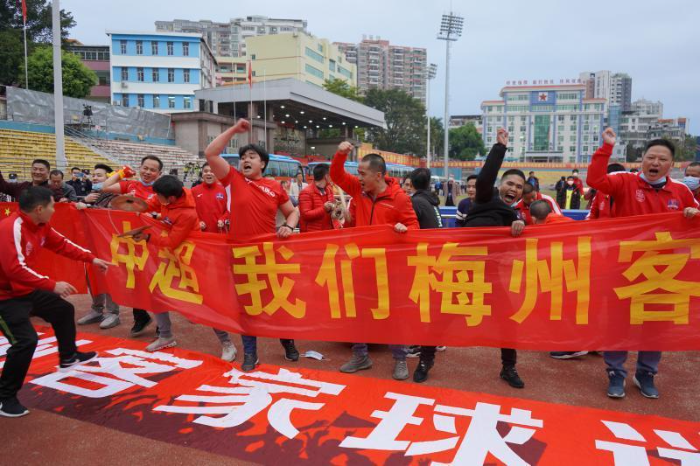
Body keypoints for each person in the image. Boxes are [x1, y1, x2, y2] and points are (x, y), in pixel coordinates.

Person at [587, 128, 699, 399]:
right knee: (618, 324)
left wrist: (694, 213)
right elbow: (595, 179)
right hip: (623, 269)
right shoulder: (624, 182)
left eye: (662, 159)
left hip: (662, 271)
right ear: (642, 159)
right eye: (651, 157)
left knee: (655, 325)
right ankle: (616, 373)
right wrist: (606, 147)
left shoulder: (681, 191)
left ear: (672, 164)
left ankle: (646, 373)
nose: (655, 163)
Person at [0, 186, 111, 417]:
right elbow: (14, 269)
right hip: (4, 297)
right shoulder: (11, 228)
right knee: (25, 342)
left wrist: (92, 259)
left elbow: (62, 244)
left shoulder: (41, 225)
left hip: (23, 290)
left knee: (62, 309)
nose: (55, 209)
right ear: (39, 209)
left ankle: (68, 356)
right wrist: (52, 284)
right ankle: (5, 397)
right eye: (52, 205)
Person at [204, 119, 300, 372]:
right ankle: (250, 353)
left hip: (268, 254)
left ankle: (287, 341)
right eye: (243, 157)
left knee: (278, 302)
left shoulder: (274, 187)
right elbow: (211, 153)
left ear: (263, 164)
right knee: (247, 306)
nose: (245, 160)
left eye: (251, 157)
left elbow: (292, 212)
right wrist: (235, 130)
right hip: (240, 255)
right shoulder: (233, 180)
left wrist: (289, 226)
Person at [331, 141, 419, 380]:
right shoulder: (358, 190)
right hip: (361, 265)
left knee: (394, 315)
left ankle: (400, 359)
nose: (358, 177)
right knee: (358, 312)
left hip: (389, 269)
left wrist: (405, 229)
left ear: (378, 175)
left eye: (362, 173)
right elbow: (336, 175)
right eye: (358, 173)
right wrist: (340, 154)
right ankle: (360, 355)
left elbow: (414, 226)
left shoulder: (399, 198)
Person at [130, 176, 237, 361]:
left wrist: (148, 238)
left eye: (159, 197)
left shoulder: (187, 213)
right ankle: (165, 336)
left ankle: (227, 343)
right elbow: (149, 205)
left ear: (171, 198)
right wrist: (131, 206)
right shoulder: (166, 196)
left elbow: (172, 241)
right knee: (157, 291)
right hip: (168, 256)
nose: (156, 199)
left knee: (204, 299)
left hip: (190, 258)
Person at [460, 128, 526, 389]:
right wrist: (499, 148)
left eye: (519, 187)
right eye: (510, 184)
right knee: (442, 317)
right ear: (501, 186)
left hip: (492, 277)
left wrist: (519, 227)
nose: (514, 189)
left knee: (507, 322)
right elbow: (486, 177)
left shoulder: (513, 216)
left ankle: (508, 368)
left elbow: (520, 247)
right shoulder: (485, 197)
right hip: (463, 271)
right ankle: (425, 360)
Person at [101, 155, 163, 336]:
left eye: (152, 170)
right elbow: (105, 187)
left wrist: (153, 216)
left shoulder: (161, 190)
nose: (147, 172)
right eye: (145, 168)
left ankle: (162, 325)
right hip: (131, 241)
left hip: (152, 241)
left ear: (159, 173)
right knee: (134, 279)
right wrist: (122, 173)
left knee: (155, 282)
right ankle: (140, 317)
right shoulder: (131, 185)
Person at [405, 168, 444, 383]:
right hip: (436, 255)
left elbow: (411, 230)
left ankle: (421, 343)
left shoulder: (416, 202)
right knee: (430, 301)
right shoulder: (432, 201)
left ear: (412, 183)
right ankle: (433, 340)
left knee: (421, 302)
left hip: (424, 257)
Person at [75, 163, 122, 329]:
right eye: (94, 175)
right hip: (90, 243)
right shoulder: (91, 195)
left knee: (107, 276)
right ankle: (97, 309)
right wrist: (82, 202)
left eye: (99, 175)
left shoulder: (115, 197)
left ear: (109, 178)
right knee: (92, 276)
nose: (95, 178)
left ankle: (113, 312)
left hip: (108, 245)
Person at [298, 163, 336, 232]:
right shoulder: (306, 192)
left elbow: (331, 212)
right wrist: (323, 208)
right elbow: (305, 215)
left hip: (328, 231)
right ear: (326, 176)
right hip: (313, 233)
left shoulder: (329, 190)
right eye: (330, 175)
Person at [191, 162, 228, 233]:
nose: (208, 173)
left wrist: (223, 219)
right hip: (201, 233)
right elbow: (190, 211)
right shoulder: (194, 191)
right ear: (202, 174)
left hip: (219, 233)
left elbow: (228, 210)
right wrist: (197, 221)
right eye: (205, 171)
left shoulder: (224, 190)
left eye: (212, 171)